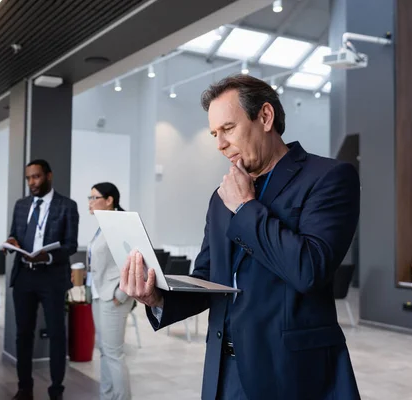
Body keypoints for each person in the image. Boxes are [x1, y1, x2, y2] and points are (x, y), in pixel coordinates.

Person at [119, 75, 361, 400]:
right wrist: (157, 299)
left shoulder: (328, 178)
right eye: (214, 134)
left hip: (292, 373)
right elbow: (208, 280)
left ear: (265, 117)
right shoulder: (221, 198)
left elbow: (309, 269)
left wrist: (246, 208)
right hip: (223, 373)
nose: (219, 143)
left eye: (228, 129)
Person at [5, 159, 79, 400]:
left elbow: (71, 245)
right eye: (28, 178)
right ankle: (24, 387)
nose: (31, 183)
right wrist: (12, 242)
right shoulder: (21, 205)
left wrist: (48, 257)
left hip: (52, 278)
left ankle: (56, 390)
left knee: (57, 333)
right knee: (23, 333)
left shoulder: (67, 206)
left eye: (36, 177)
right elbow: (15, 234)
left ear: (49, 176)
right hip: (24, 275)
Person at [85, 182, 133, 400]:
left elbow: (134, 262)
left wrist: (121, 294)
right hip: (98, 294)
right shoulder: (101, 225)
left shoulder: (120, 224)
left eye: (94, 197)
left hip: (113, 297)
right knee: (104, 352)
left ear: (109, 199)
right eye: (90, 197)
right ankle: (107, 397)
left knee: (114, 354)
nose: (90, 202)